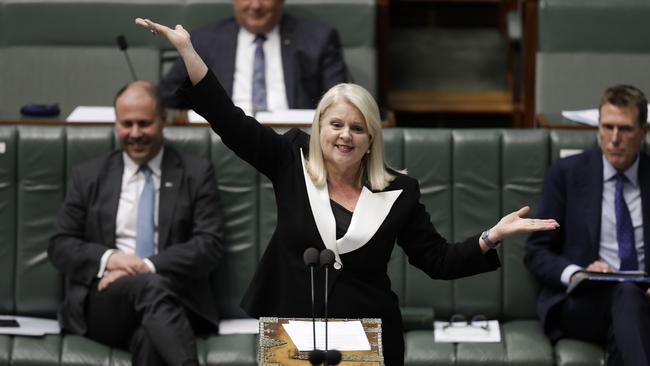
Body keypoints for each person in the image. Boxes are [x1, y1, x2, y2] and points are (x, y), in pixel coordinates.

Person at [136, 18, 559, 365]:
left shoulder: (399, 191)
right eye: (336, 125)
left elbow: (438, 260)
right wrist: (189, 52)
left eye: (358, 128)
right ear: (320, 129)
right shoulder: (289, 158)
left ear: (372, 139)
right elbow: (228, 120)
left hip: (369, 332)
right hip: (291, 329)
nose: (345, 136)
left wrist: (492, 236)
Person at [48, 80, 224, 366]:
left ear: (163, 121)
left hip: (175, 300)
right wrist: (112, 259)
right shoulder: (89, 176)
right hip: (104, 301)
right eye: (126, 124)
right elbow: (60, 244)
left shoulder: (195, 173)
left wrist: (144, 267)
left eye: (144, 124)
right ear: (116, 123)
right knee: (148, 289)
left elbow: (209, 245)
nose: (135, 134)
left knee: (149, 338)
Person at [525, 85, 650, 366]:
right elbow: (536, 252)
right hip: (583, 302)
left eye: (626, 129)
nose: (614, 139)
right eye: (607, 127)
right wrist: (578, 273)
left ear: (644, 131)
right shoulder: (568, 174)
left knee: (630, 312)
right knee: (629, 297)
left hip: (643, 301)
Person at [158, 0, 348, 114]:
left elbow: (338, 104)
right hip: (223, 139)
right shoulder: (204, 41)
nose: (255, 5)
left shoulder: (318, 39)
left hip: (295, 140)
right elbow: (166, 99)